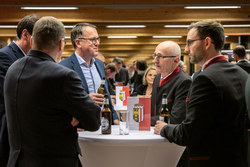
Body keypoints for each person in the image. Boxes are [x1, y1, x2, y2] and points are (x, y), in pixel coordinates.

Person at [4, 16, 101, 167]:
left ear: (32, 41)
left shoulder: (13, 70)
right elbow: (94, 120)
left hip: (18, 161)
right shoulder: (63, 75)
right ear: (61, 43)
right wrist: (74, 112)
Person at [154, 20, 249, 167]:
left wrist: (165, 128)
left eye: (190, 42)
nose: (186, 49)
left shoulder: (205, 78)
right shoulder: (242, 74)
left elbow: (189, 133)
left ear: (207, 42)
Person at [0, 14, 40, 167]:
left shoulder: (30, 58)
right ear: (25, 34)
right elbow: (13, 95)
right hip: (8, 134)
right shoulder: (4, 57)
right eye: (39, 36)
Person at [59, 23, 119, 125]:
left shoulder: (99, 64)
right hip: (79, 128)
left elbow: (106, 95)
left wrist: (114, 118)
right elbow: (60, 102)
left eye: (98, 39)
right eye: (92, 40)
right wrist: (85, 101)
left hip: (102, 125)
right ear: (78, 43)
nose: (97, 43)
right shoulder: (63, 67)